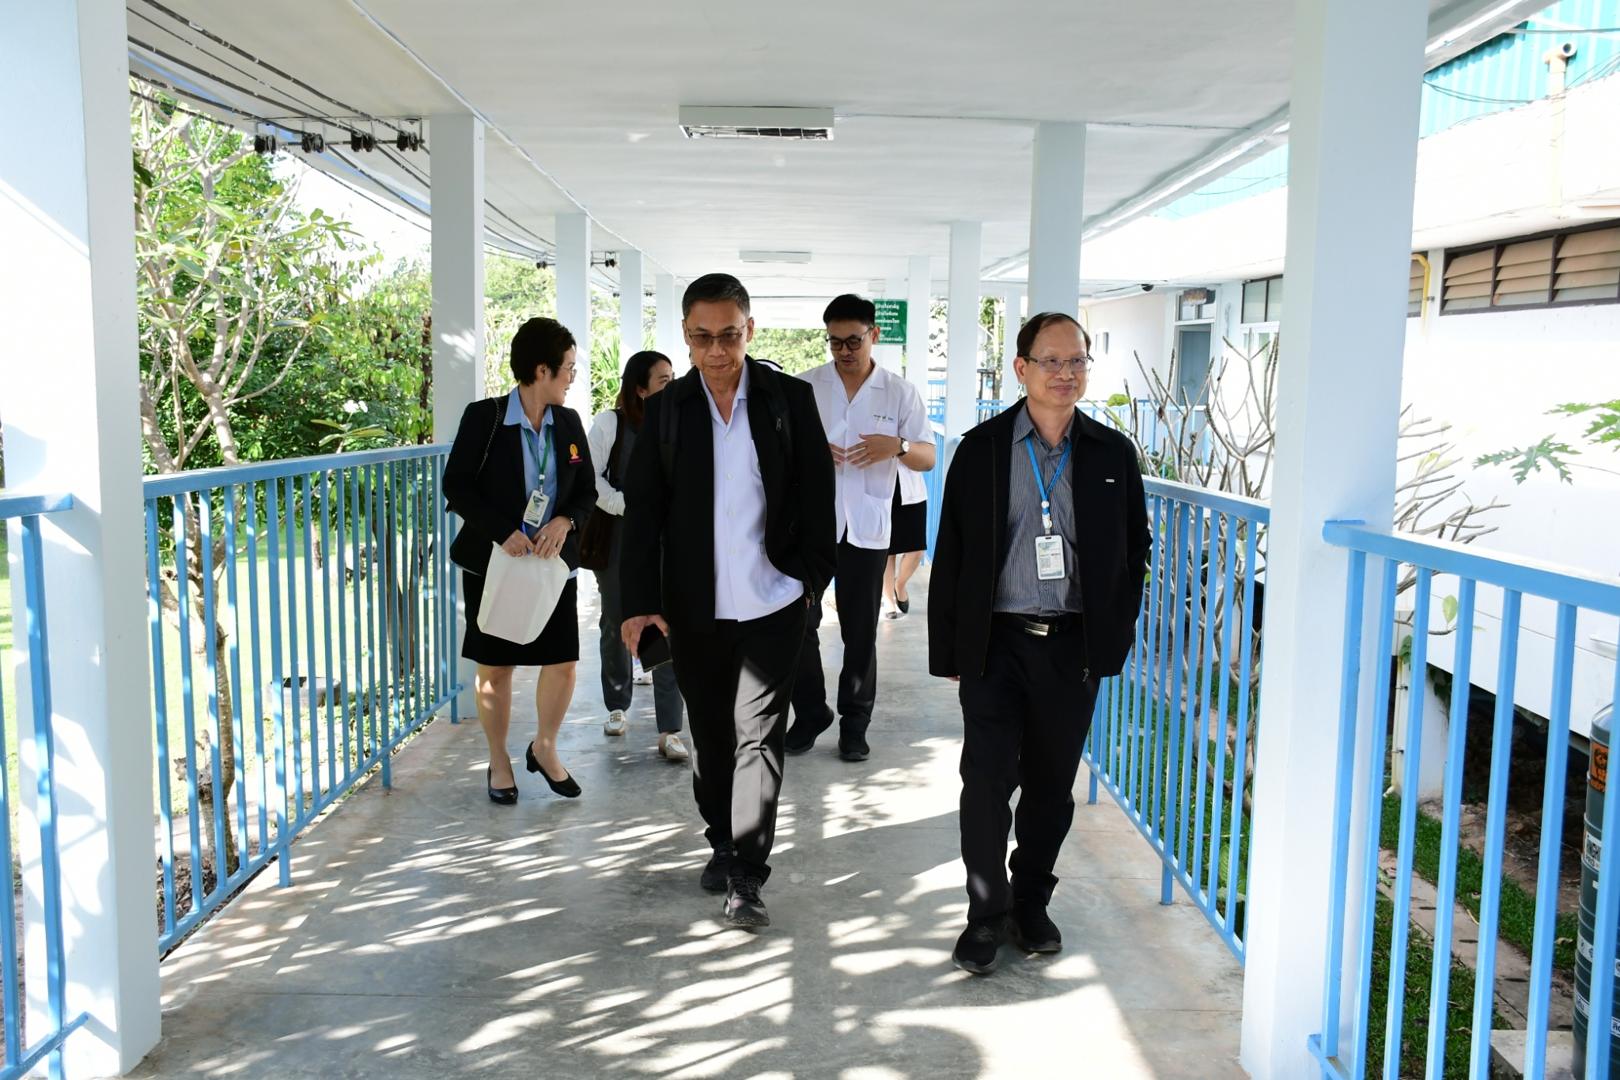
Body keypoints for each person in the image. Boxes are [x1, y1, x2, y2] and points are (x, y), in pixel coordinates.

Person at [929, 311, 1149, 975]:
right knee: (985, 783)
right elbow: (954, 550)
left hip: (1071, 646)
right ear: (1021, 369)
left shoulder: (1111, 453)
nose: (1065, 373)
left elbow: (1135, 548)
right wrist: (951, 650)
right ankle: (985, 911)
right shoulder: (983, 449)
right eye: (1051, 361)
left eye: (1077, 360)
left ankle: (1030, 901)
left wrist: (1114, 631)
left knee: (1051, 788)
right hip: (996, 642)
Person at [620, 273, 835, 929]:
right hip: (695, 608)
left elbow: (818, 496)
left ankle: (746, 873)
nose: (717, 350)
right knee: (713, 740)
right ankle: (722, 838)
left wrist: (810, 585)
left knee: (759, 739)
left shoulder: (788, 399)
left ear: (750, 331)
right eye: (702, 337)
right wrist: (638, 602)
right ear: (686, 336)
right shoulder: (667, 411)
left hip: (774, 600)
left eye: (730, 335)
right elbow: (643, 514)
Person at [443, 317, 597, 804]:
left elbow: (586, 490)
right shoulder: (485, 418)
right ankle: (498, 760)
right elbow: (457, 485)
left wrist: (565, 521)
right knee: (496, 668)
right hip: (496, 564)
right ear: (541, 370)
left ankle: (544, 747)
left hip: (551, 566)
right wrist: (502, 530)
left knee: (563, 663)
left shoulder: (568, 423)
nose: (572, 377)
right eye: (568, 368)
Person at [787, 294, 934, 761]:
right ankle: (810, 711)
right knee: (797, 622)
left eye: (853, 340)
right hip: (814, 527)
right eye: (835, 342)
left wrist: (898, 446)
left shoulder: (899, 392)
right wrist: (810, 454)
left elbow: (927, 457)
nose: (844, 351)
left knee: (859, 631)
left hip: (868, 529)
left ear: (874, 334)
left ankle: (855, 724)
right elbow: (778, 452)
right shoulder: (805, 387)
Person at [586, 350, 689, 762]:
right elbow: (589, 477)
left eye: (673, 377)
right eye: (664, 379)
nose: (672, 385)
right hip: (619, 535)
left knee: (664, 623)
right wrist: (626, 505)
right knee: (618, 616)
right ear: (640, 388)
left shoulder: (679, 422)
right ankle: (617, 704)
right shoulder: (610, 424)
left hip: (668, 535)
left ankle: (669, 729)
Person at [882, 467, 928, 620]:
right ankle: (888, 598)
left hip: (912, 489)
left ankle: (900, 584)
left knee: (917, 549)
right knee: (887, 550)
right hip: (882, 486)